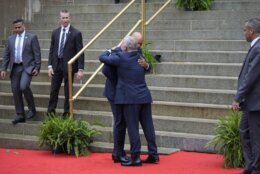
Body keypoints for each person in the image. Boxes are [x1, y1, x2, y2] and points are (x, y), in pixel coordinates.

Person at [100, 36, 158, 167]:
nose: (140, 45)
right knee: (122, 123)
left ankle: (135, 157)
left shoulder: (124, 55)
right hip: (122, 93)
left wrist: (146, 65)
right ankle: (119, 153)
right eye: (139, 43)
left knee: (132, 127)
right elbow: (106, 71)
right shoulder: (128, 54)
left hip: (129, 96)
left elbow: (147, 67)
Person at [232, 18, 260, 174]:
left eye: (245, 30)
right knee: (244, 131)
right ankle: (250, 166)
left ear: (251, 31)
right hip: (251, 102)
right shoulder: (254, 47)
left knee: (256, 137)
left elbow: (251, 76)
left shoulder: (258, 48)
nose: (244, 33)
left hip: (256, 102)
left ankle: (256, 169)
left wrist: (238, 97)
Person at [1, 18, 41, 124]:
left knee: (23, 86)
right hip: (15, 67)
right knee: (15, 90)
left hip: (27, 67)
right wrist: (3, 69)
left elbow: (37, 53)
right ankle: (20, 114)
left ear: (24, 26)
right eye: (16, 28)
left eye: (19, 27)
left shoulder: (32, 37)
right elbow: (6, 55)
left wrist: (37, 67)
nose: (17, 29)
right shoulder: (10, 39)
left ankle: (32, 109)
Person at [47, 9, 84, 116]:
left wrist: (80, 69)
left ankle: (66, 113)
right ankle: (50, 114)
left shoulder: (76, 33)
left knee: (68, 91)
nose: (65, 20)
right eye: (63, 18)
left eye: (67, 17)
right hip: (56, 65)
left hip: (69, 66)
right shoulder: (55, 32)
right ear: (59, 19)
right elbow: (52, 50)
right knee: (53, 91)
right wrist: (50, 66)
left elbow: (80, 52)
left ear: (70, 18)